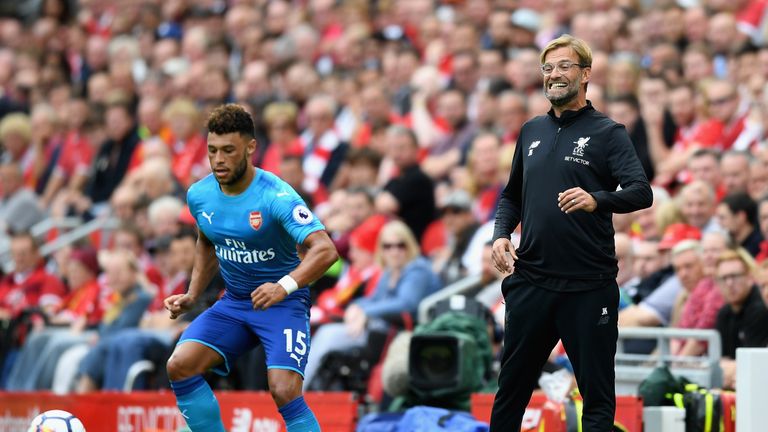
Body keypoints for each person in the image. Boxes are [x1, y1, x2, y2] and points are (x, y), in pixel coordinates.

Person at [489, 35, 653, 431]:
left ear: (585, 74)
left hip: (588, 285)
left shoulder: (608, 132)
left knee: (597, 397)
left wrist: (597, 199)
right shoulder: (530, 131)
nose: (554, 75)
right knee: (510, 391)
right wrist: (500, 234)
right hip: (533, 282)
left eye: (564, 66)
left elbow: (641, 191)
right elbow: (511, 195)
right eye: (548, 68)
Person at [163, 104, 338, 432]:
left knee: (283, 390)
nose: (218, 160)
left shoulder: (277, 195)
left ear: (250, 148)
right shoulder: (200, 195)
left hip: (283, 304)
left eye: (228, 151)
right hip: (235, 303)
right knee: (180, 365)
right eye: (212, 151)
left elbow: (326, 251)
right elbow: (207, 241)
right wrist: (193, 293)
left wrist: (283, 286)